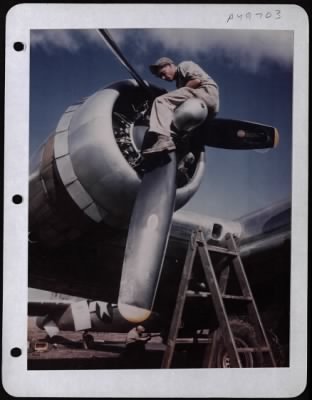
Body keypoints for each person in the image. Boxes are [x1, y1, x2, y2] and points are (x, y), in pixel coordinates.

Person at [143, 57, 219, 155]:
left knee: (161, 101)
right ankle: (188, 157)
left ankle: (163, 139)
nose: (163, 78)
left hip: (205, 92)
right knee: (185, 134)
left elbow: (196, 81)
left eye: (163, 73)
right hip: (210, 110)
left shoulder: (184, 65)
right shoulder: (179, 83)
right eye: (160, 76)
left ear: (169, 65)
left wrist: (172, 96)